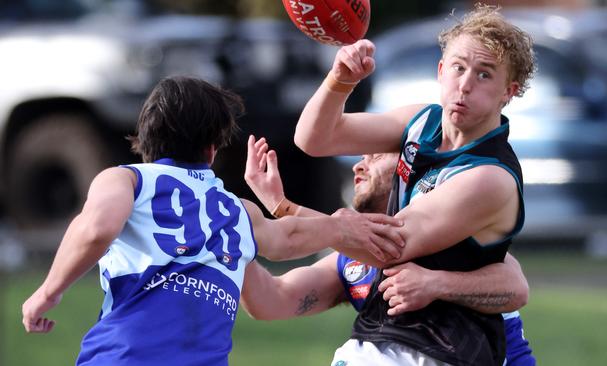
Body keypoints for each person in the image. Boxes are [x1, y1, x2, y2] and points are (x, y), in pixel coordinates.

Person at [20, 76, 405, 366]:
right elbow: (285, 238)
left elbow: (96, 229)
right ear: (214, 147)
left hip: (123, 354)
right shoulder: (237, 211)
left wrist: (48, 293)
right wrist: (342, 225)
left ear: (145, 136)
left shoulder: (127, 178)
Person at [293, 4, 536, 366]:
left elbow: (387, 247)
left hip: (446, 349)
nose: (465, 85)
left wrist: (287, 213)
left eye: (484, 75)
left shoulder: (490, 176)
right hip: (392, 335)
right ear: (441, 71)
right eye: (458, 67)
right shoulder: (422, 122)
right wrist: (341, 80)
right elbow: (313, 138)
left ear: (509, 92)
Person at [242, 137, 535, 365]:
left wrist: (435, 285)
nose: (359, 165)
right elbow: (273, 300)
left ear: (411, 171)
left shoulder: (454, 239)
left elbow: (516, 287)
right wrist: (232, 243)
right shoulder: (352, 263)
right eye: (361, 157)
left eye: (375, 156)